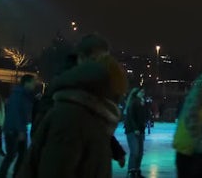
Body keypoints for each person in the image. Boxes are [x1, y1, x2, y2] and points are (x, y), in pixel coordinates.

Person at [18, 41, 128, 178]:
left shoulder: (89, 109)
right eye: (115, 95)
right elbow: (56, 169)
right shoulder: (73, 113)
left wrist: (115, 150)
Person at [0, 75, 36, 178]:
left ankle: (15, 174)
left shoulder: (23, 95)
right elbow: (15, 113)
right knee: (12, 155)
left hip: (16, 129)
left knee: (20, 155)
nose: (34, 84)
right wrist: (21, 131)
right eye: (33, 82)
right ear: (26, 83)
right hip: (14, 130)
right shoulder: (19, 95)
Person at [124, 87, 148, 178]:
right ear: (136, 93)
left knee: (140, 152)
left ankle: (136, 171)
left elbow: (143, 116)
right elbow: (131, 117)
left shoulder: (141, 102)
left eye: (143, 91)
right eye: (141, 91)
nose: (143, 92)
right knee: (135, 152)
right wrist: (135, 129)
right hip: (132, 131)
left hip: (140, 131)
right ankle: (131, 171)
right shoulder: (133, 102)